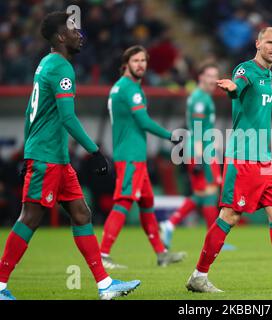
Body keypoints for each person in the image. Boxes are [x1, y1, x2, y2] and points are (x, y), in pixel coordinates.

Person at [0, 12, 140, 300]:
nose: (79, 34)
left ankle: (104, 285)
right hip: (47, 157)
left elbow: (31, 113)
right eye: (73, 30)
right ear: (61, 37)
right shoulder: (62, 67)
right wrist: (95, 151)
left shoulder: (46, 64)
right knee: (30, 218)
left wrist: (30, 147)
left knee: (81, 213)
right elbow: (68, 118)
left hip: (55, 157)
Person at [185, 27, 272, 293]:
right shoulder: (245, 69)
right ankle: (199, 276)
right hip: (242, 158)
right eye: (270, 42)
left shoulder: (266, 75)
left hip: (264, 159)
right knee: (230, 215)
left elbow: (270, 96)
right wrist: (233, 87)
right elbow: (240, 85)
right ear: (258, 43)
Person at [99, 45, 186, 269]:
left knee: (147, 204)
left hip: (133, 155)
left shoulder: (119, 88)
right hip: (130, 156)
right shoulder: (131, 89)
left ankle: (161, 253)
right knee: (124, 201)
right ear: (126, 63)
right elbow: (144, 122)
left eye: (144, 61)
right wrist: (171, 136)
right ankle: (103, 254)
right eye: (136, 60)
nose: (141, 65)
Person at [159, 62, 234, 251]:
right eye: (209, 75)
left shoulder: (204, 98)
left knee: (203, 194)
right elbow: (199, 131)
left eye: (215, 76)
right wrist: (200, 159)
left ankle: (171, 224)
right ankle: (213, 238)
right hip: (201, 152)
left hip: (204, 151)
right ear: (200, 77)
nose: (212, 80)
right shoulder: (200, 99)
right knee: (207, 194)